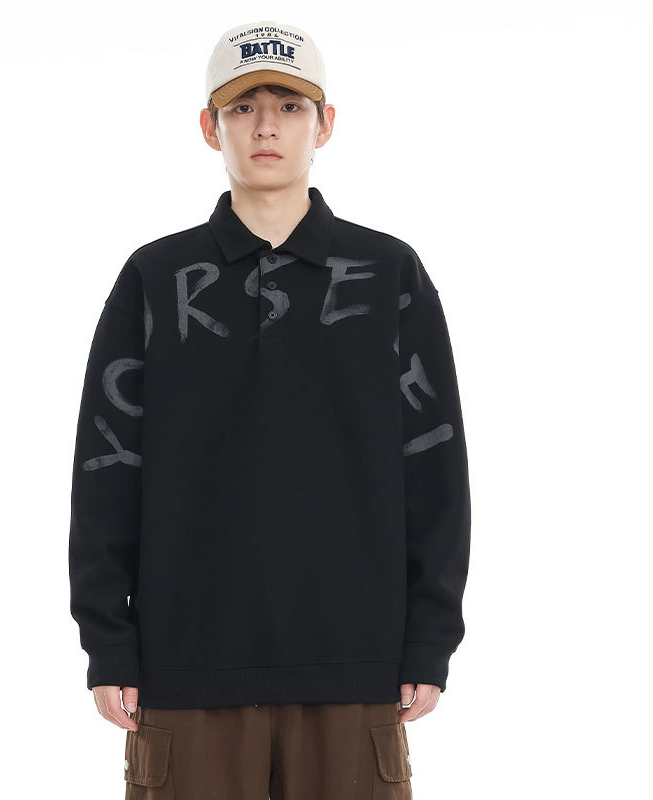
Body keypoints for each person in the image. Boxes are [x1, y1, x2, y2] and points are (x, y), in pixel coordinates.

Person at [68, 19, 471, 800]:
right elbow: (108, 467)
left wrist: (430, 637)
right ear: (208, 126)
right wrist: (108, 640)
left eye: (289, 106)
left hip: (356, 665)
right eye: (242, 107)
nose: (264, 127)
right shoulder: (154, 277)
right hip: (186, 665)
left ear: (325, 124)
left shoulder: (390, 273)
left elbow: (434, 468)